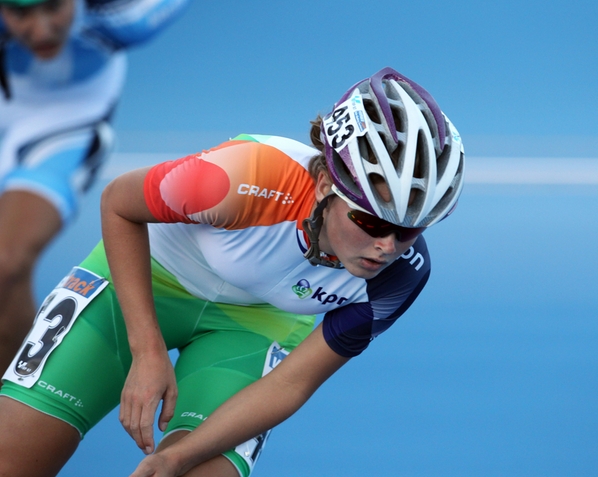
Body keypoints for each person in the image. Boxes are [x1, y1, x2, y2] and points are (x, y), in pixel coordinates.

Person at [0, 67, 465, 477]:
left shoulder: (402, 276)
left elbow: (291, 383)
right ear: (326, 184)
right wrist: (146, 349)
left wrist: (176, 459)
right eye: (371, 222)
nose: (387, 246)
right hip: (152, 280)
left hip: (254, 327)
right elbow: (118, 203)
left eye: (410, 231)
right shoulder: (242, 179)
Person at [0, 0, 190, 373]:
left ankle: (11, 396)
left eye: (53, 6)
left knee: (6, 263)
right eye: (21, 13)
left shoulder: (125, 21)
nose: (41, 30)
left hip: (62, 134)